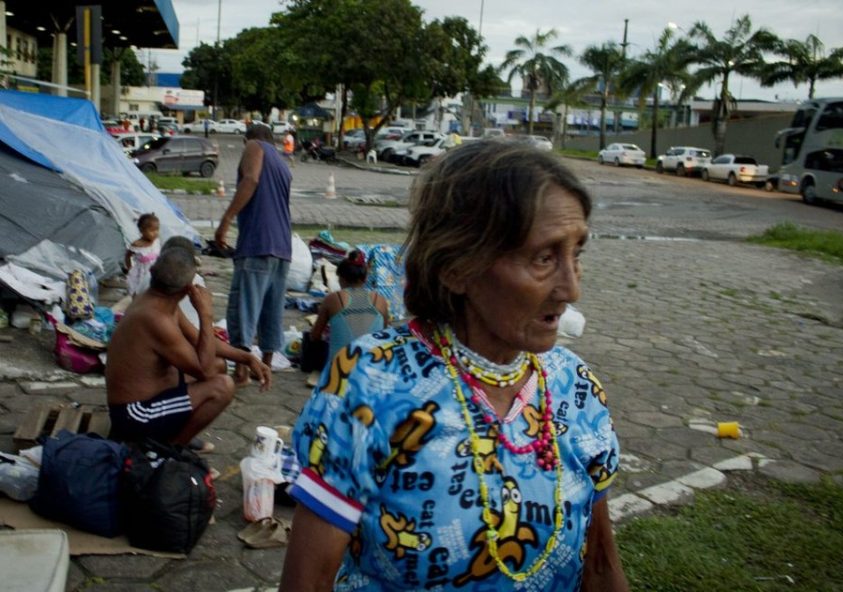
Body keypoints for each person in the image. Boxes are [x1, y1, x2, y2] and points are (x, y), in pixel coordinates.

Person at [280, 140, 629, 591]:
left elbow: (599, 565)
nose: (572, 288)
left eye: (576, 253)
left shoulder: (575, 387)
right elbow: (308, 582)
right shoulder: (368, 382)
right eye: (544, 257)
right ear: (458, 268)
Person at [106, 247, 271, 446]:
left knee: (219, 365)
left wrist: (247, 357)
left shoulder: (161, 302)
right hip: (134, 415)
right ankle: (171, 450)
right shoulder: (155, 318)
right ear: (188, 288)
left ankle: (169, 435)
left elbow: (198, 340)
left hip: (147, 396)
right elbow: (204, 370)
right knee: (222, 386)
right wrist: (206, 314)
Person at [214, 123, 292, 386]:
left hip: (258, 242)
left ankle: (241, 372)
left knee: (243, 310)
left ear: (248, 139)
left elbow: (251, 179)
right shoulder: (282, 163)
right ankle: (265, 368)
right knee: (272, 310)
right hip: (282, 247)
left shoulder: (254, 146)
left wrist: (226, 220)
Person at [304, 249, 389, 384]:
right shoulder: (380, 301)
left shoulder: (333, 299)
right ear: (365, 278)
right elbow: (383, 335)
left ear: (341, 278)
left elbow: (314, 336)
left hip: (340, 373)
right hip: (371, 371)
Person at [124, 213, 161, 296]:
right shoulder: (137, 245)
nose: (155, 233)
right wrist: (130, 268)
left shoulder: (156, 241)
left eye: (157, 229)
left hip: (154, 271)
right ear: (142, 231)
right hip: (141, 273)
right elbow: (127, 256)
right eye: (152, 230)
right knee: (139, 291)